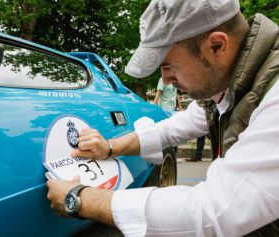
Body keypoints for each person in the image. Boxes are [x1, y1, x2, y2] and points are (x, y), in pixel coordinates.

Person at [47, 0, 279, 236]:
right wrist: (108, 147)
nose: (166, 79)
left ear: (217, 46)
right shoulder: (229, 87)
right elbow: (174, 128)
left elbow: (215, 211)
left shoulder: (274, 97)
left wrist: (81, 199)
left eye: (169, 65)